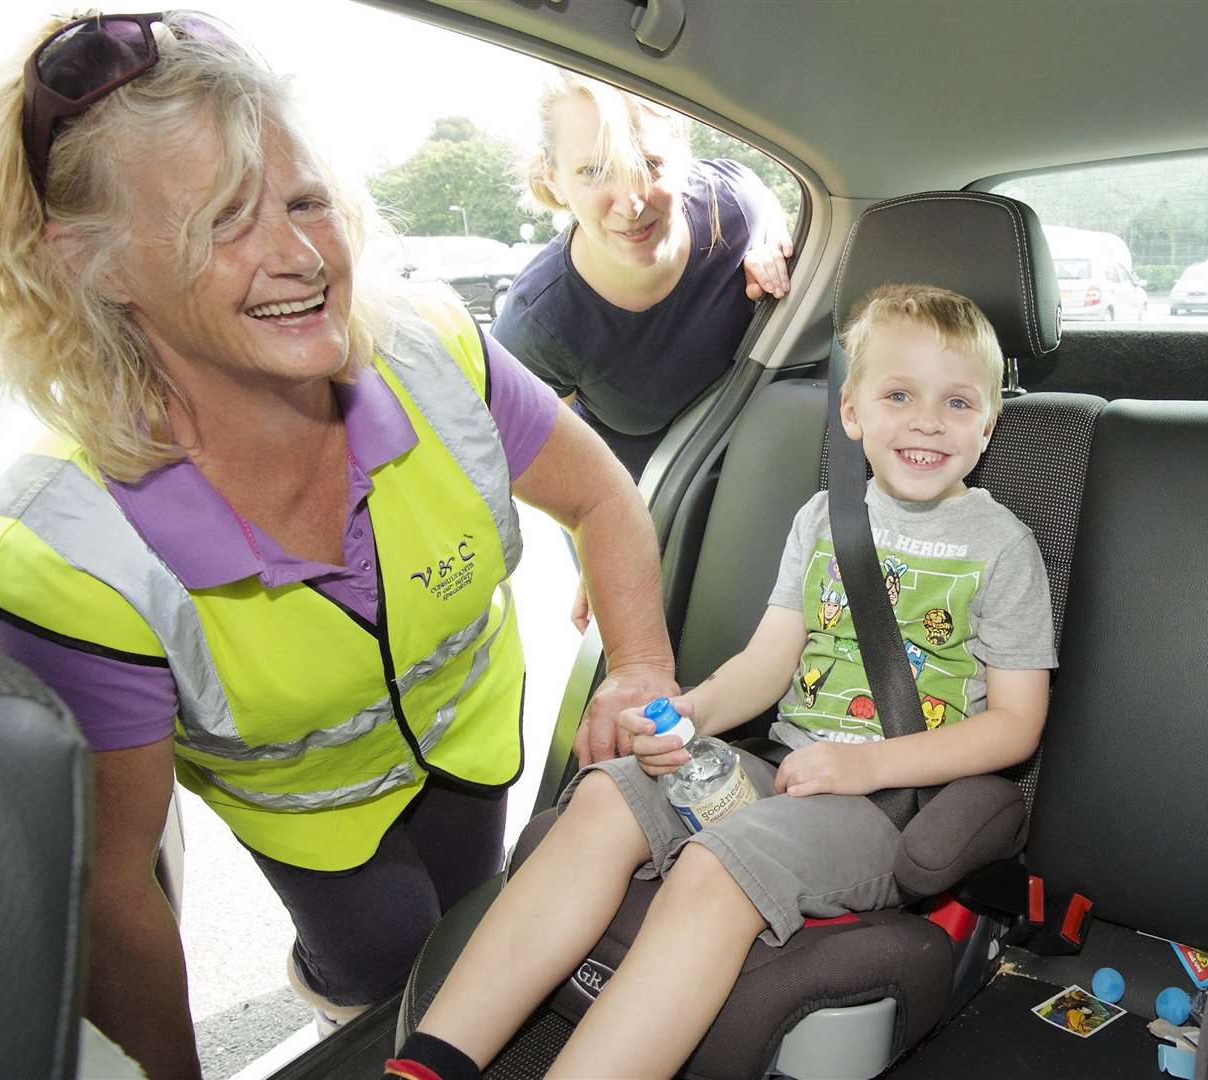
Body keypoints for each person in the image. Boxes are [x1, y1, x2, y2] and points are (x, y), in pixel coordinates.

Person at [0, 13, 679, 1078]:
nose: (302, 256)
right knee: (381, 960)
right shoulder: (62, 551)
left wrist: (636, 671)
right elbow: (113, 889)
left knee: (468, 930)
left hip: (470, 741)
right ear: (96, 264)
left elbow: (604, 500)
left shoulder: (434, 350)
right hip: (310, 822)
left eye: (306, 201)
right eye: (222, 222)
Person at [389, 284, 1057, 1080]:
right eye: (899, 394)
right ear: (852, 413)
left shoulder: (1000, 546)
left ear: (988, 424)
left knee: (718, 865)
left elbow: (1017, 724)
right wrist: (690, 712)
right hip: (781, 767)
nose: (926, 421)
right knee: (609, 791)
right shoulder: (822, 521)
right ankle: (432, 1062)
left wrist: (867, 765)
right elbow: (769, 664)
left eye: (956, 402)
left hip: (888, 802)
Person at [493, 73, 793, 483]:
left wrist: (774, 247)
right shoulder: (536, 324)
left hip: (772, 476)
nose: (631, 204)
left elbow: (777, 219)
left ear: (684, 157)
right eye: (593, 171)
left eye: (648, 164)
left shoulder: (736, 206)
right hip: (652, 513)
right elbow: (558, 475)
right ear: (554, 180)